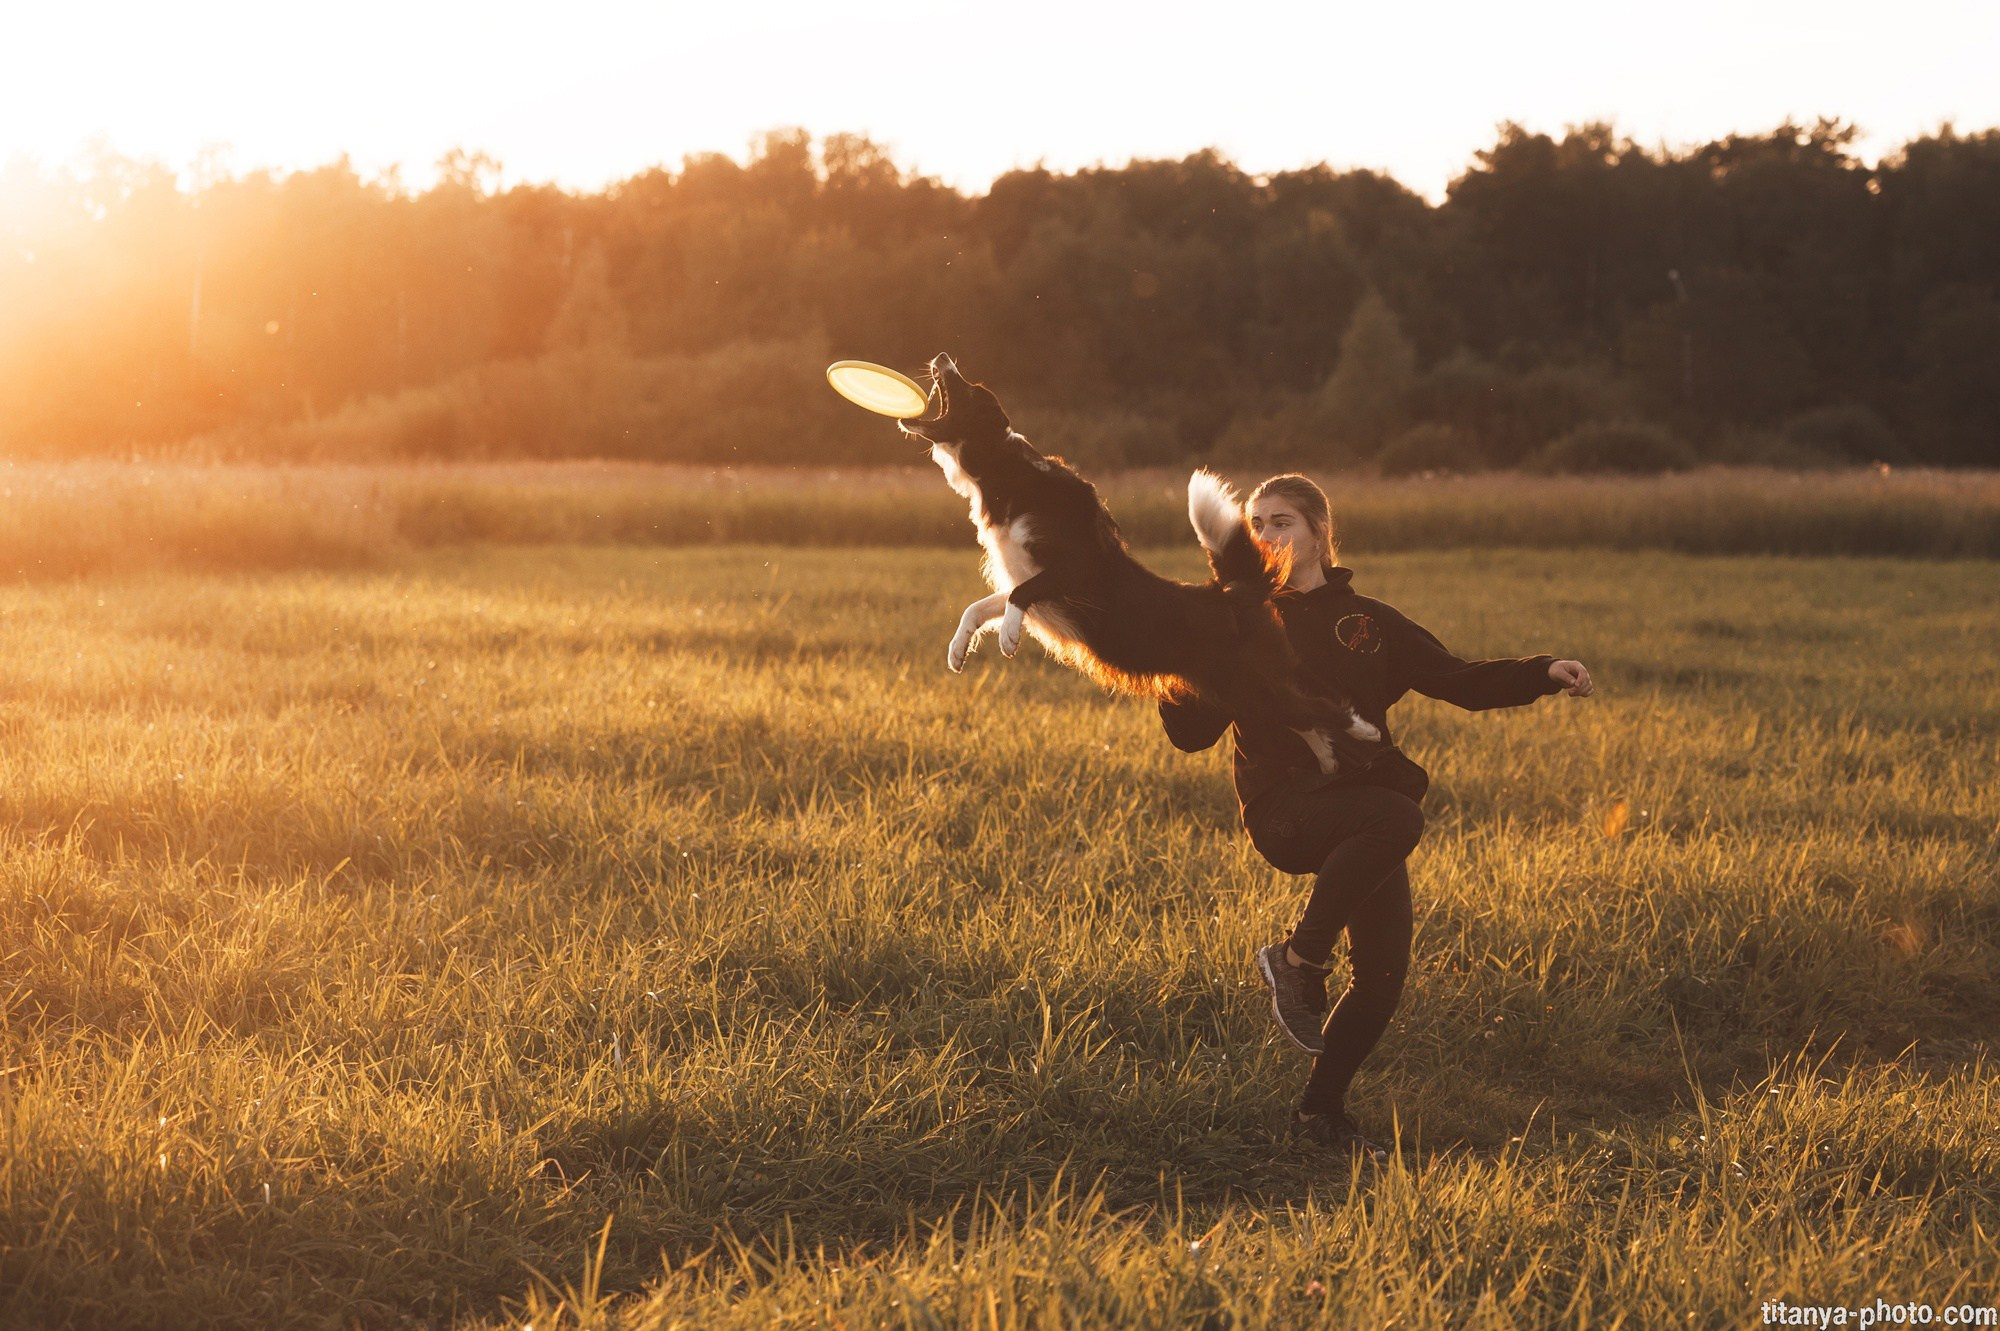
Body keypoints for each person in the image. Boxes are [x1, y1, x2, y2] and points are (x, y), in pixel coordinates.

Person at [1158, 473, 1594, 1163]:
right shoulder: (1243, 623)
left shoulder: (1369, 621)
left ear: (1320, 533)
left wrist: (1543, 671)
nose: (1267, 536)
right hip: (1286, 811)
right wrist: (1181, 662)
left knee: (1384, 972)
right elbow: (1188, 734)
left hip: (1359, 816)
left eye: (1282, 522)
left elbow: (1458, 678)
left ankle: (1319, 1110)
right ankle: (1297, 960)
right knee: (1398, 815)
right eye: (1257, 525)